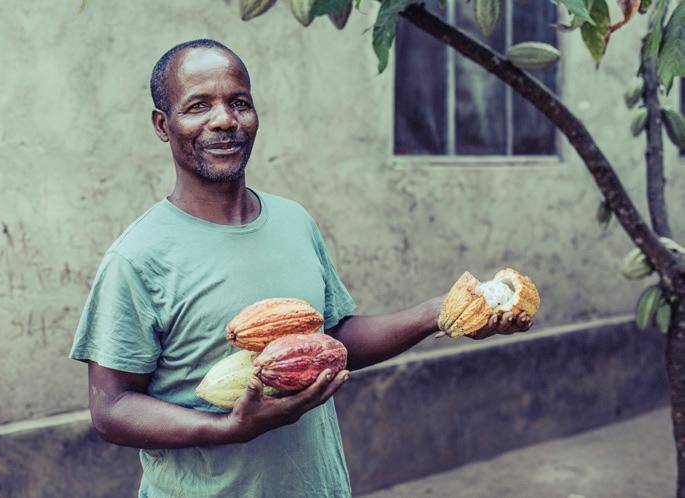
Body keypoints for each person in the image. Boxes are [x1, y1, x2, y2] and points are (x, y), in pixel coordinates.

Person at [68, 38, 533, 498]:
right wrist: (228, 429)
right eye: (197, 106)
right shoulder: (137, 257)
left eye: (239, 102)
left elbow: (332, 341)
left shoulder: (293, 220)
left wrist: (442, 313)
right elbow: (112, 407)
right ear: (162, 124)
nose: (225, 120)